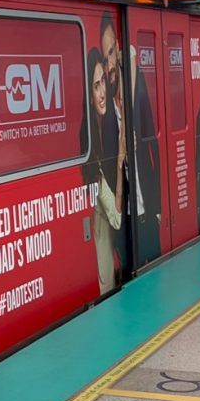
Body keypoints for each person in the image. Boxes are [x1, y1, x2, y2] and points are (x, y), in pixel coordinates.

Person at [99, 13, 162, 266]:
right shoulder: (105, 119)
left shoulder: (136, 101)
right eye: (106, 59)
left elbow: (153, 145)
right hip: (124, 220)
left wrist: (157, 208)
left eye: (113, 53)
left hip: (147, 214)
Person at [81, 48, 125, 294]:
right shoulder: (94, 161)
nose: (102, 93)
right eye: (95, 86)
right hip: (105, 275)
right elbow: (117, 218)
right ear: (88, 95)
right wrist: (119, 164)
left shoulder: (100, 133)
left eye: (103, 84)